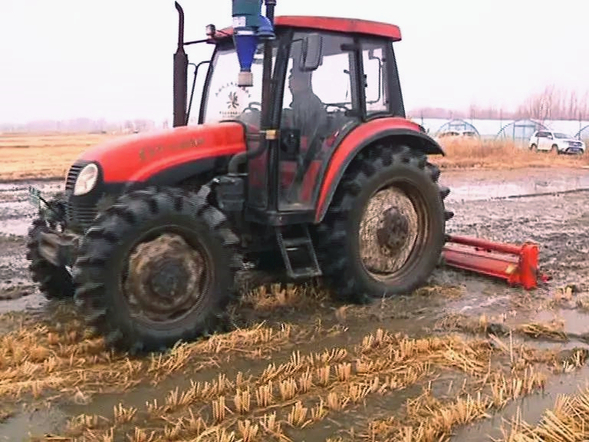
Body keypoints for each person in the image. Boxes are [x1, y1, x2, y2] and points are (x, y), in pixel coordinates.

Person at [286, 68, 328, 145]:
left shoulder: (308, 103)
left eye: (291, 83)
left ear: (302, 83)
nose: (289, 87)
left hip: (309, 146)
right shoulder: (300, 102)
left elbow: (303, 130)